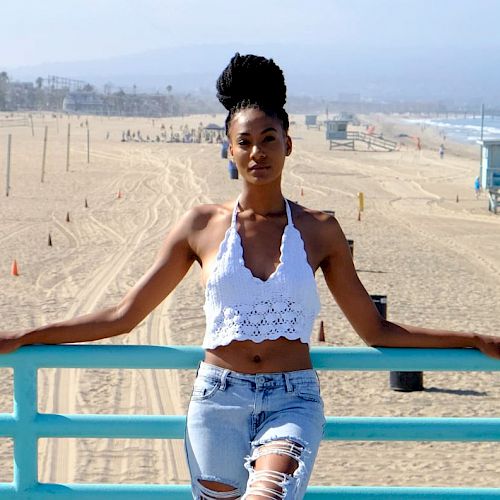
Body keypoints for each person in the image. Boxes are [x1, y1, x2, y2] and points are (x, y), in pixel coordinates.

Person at [1, 53, 500, 499]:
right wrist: (26, 336)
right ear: (230, 149)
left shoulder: (320, 230)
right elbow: (124, 315)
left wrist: (474, 339)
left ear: (288, 145)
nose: (258, 151)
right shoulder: (199, 226)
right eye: (245, 141)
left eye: (269, 139)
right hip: (217, 400)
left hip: (294, 400)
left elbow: (376, 330)